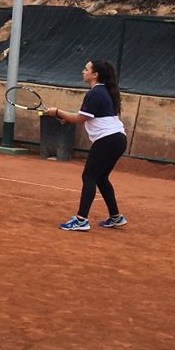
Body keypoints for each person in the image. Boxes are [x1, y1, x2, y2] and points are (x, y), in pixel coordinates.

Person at [47, 59, 128, 232]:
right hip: (118, 139)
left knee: (89, 177)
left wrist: (57, 112)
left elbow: (80, 119)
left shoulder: (95, 93)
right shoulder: (105, 91)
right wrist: (65, 117)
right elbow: (89, 118)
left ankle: (81, 219)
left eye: (86, 69)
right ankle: (116, 217)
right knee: (101, 177)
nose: (83, 72)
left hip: (107, 140)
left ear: (95, 74)